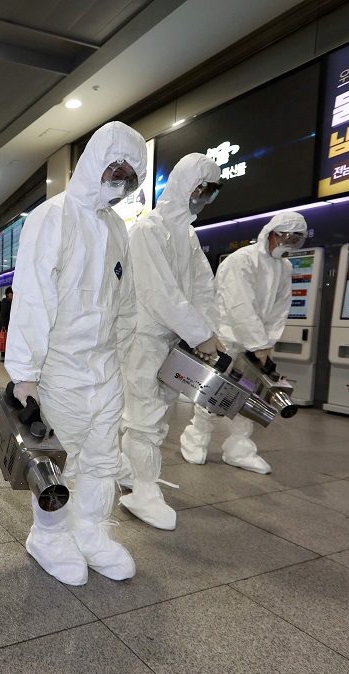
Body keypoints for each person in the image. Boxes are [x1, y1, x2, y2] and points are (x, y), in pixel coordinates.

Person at [6, 121, 145, 586]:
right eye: (116, 170)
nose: (122, 182)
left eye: (131, 176)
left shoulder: (118, 230)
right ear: (94, 163)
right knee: (58, 459)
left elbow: (125, 303)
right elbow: (32, 299)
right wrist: (24, 376)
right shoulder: (53, 217)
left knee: (102, 458)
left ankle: (89, 531)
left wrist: (119, 357)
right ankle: (48, 536)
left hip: (104, 369)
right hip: (61, 367)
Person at [118, 152, 224, 531]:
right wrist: (200, 334)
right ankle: (143, 491)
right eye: (204, 190)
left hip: (172, 340)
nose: (205, 198)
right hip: (145, 338)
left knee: (158, 413)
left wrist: (207, 332)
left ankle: (133, 474)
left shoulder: (186, 235)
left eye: (210, 192)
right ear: (189, 187)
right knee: (144, 416)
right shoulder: (148, 230)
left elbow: (201, 288)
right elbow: (158, 292)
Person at [180, 212, 306, 474]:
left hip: (255, 344)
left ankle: (239, 448)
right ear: (270, 233)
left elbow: (280, 307)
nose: (288, 243)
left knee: (250, 394)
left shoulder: (285, 268)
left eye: (295, 239)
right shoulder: (242, 260)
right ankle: (195, 439)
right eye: (285, 237)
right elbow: (239, 305)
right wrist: (258, 342)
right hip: (227, 337)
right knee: (212, 392)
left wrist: (267, 343)